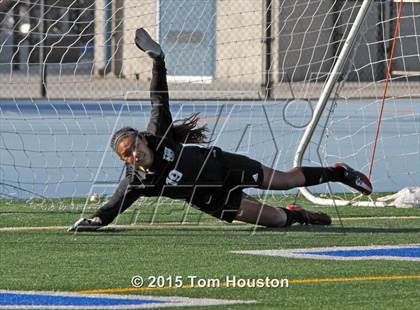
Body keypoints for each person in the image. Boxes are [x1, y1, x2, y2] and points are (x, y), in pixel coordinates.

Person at [69, 28, 372, 231]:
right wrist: (96, 220)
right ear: (125, 161)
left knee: (285, 180)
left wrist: (159, 62)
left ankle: (338, 172)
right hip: (211, 200)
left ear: (142, 140)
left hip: (224, 166)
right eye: (127, 154)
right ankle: (299, 214)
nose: (134, 153)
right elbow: (113, 205)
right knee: (277, 221)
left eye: (134, 145)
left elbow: (158, 100)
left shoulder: (158, 136)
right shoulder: (136, 182)